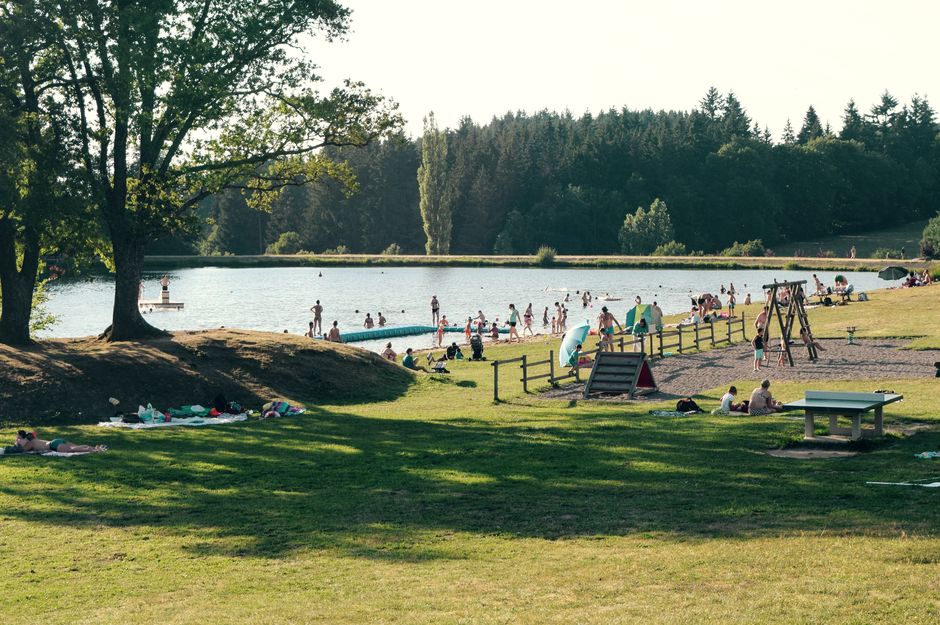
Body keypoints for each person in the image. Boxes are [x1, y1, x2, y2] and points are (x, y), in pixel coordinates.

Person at [12, 430, 106, 454]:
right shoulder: (34, 440)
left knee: (72, 450)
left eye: (19, 439)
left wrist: (17, 445)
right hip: (57, 441)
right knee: (76, 446)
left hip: (53, 445)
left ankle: (93, 450)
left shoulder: (30, 443)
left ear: (24, 439)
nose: (17, 440)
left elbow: (22, 450)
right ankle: (94, 447)